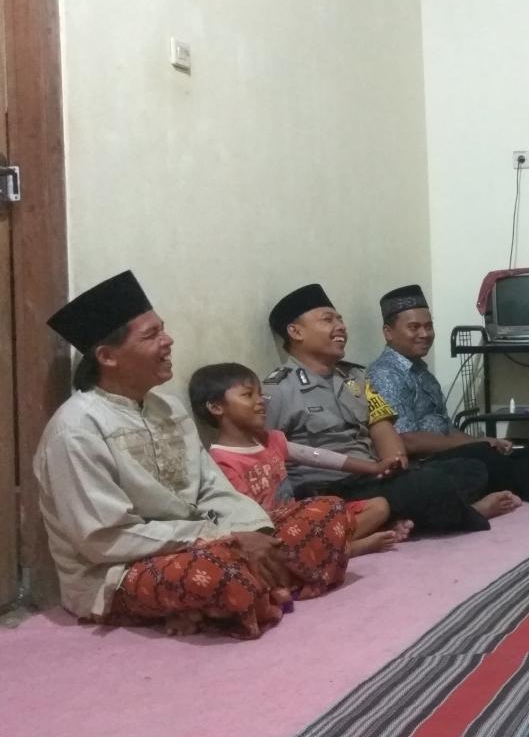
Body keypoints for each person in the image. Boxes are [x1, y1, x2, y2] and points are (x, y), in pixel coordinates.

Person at [33, 271, 351, 639]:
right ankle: (260, 586)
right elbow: (104, 539)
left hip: (206, 539)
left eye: (163, 330)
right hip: (119, 569)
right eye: (152, 335)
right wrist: (223, 539)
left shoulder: (168, 409)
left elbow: (211, 488)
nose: (168, 341)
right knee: (218, 572)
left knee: (328, 510)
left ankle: (237, 597)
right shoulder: (76, 429)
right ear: (108, 356)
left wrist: (253, 531)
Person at [264, 284, 522, 534]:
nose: (340, 326)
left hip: (371, 478)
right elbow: (264, 457)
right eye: (328, 320)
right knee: (428, 485)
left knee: (471, 469)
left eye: (340, 319)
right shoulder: (278, 390)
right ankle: (471, 512)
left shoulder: (356, 378)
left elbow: (382, 427)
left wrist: (396, 468)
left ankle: (396, 517)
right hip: (327, 489)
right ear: (296, 332)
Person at [366, 284, 529, 501]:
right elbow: (407, 440)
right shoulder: (385, 374)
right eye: (414, 327)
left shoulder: (421, 372)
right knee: (482, 455)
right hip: (422, 462)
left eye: (429, 326)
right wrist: (475, 445)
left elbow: (447, 429)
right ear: (388, 333)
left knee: (521, 449)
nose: (425, 334)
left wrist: (484, 439)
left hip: (445, 451)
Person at [189, 362, 413, 557]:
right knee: (290, 541)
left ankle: (333, 547)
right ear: (216, 407)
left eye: (260, 394)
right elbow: (245, 518)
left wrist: (373, 467)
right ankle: (350, 548)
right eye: (248, 395)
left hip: (302, 518)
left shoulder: (271, 439)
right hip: (274, 532)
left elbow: (318, 456)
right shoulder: (221, 460)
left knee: (378, 506)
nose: (261, 401)